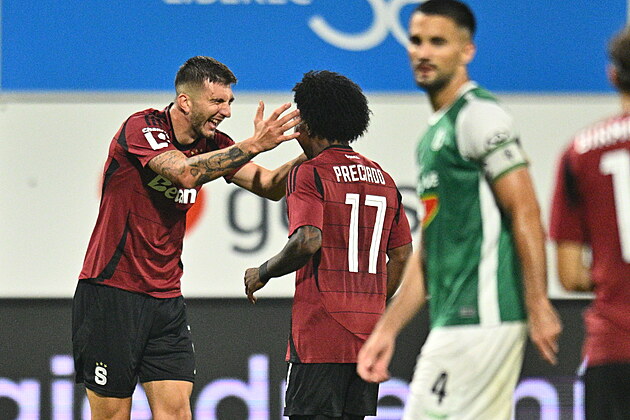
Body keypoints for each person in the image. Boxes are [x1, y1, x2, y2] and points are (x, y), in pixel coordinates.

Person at [356, 1, 562, 419]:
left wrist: (538, 302)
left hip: (483, 316)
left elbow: (525, 209)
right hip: (456, 319)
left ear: (467, 51)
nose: (424, 52)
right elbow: (430, 248)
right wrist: (387, 330)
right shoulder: (434, 134)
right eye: (416, 41)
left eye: (438, 42)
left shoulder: (479, 116)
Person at [72, 56, 305, 420]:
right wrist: (254, 144)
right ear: (185, 101)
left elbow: (270, 186)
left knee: (177, 413)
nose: (227, 111)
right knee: (112, 416)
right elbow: (183, 173)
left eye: (229, 102)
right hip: (111, 293)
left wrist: (314, 149)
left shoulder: (215, 143)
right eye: (217, 101)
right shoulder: (143, 127)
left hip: (166, 300)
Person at [243, 70, 413, 420]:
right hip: (366, 336)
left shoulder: (310, 173)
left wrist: (262, 272)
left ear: (308, 122)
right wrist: (371, 305)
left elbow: (307, 240)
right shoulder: (383, 178)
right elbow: (401, 256)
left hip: (321, 337)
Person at [549, 27, 630, 420]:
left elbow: (569, 275)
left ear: (613, 76)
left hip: (612, 349)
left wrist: (611, 273)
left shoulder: (579, 152)